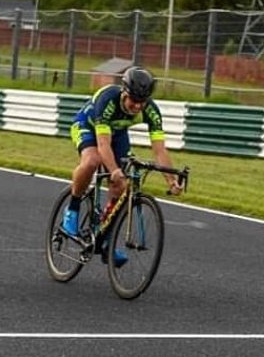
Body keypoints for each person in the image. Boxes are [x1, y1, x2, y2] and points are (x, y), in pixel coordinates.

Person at [61, 66, 184, 266]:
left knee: (121, 186)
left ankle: (106, 241)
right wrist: (114, 170)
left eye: (142, 102)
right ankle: (72, 210)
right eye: (134, 100)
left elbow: (160, 150)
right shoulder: (108, 99)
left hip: (117, 134)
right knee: (93, 161)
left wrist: (171, 180)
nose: (137, 106)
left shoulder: (151, 110)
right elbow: (102, 145)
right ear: (124, 93)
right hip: (88, 126)